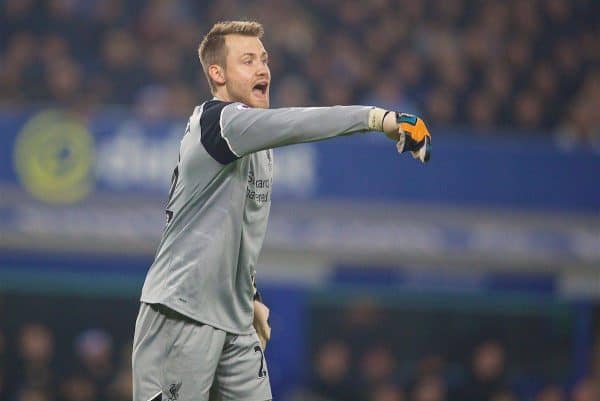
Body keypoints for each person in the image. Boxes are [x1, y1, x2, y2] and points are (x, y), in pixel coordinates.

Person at [132, 20, 431, 401]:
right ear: (217, 73)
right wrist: (377, 119)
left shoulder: (257, 147)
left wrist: (249, 296)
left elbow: (234, 228)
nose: (262, 69)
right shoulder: (220, 122)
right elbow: (299, 123)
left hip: (235, 318)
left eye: (264, 59)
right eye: (247, 61)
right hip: (183, 311)